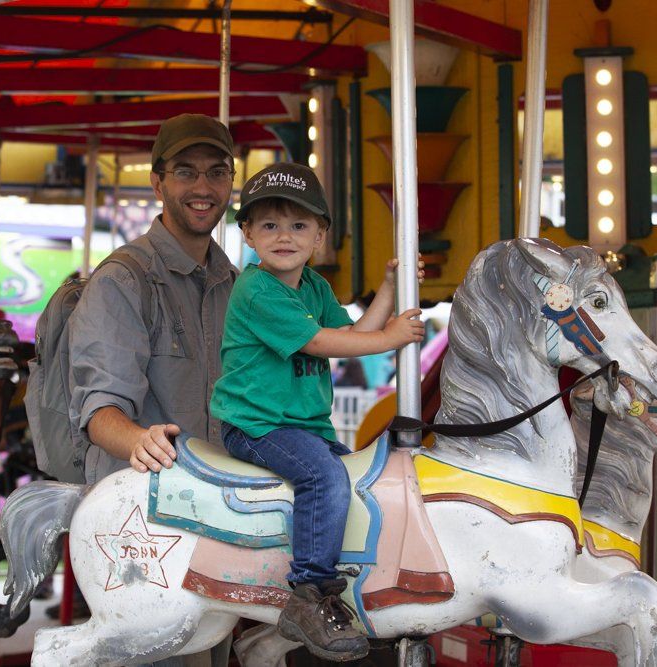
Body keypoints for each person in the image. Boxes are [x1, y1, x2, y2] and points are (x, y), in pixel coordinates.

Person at [210, 163, 425, 662]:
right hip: (256, 425)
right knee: (325, 478)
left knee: (355, 479)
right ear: (247, 234)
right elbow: (320, 341)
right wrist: (390, 337)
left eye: (299, 225)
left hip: (304, 425)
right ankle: (308, 594)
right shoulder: (257, 289)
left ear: (320, 236)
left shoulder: (314, 287)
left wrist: (388, 290)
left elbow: (352, 332)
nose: (284, 236)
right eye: (269, 225)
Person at [67, 113, 238, 667]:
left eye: (217, 172)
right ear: (158, 183)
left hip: (217, 515)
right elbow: (100, 410)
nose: (204, 188)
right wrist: (139, 439)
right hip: (144, 524)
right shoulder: (124, 280)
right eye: (186, 172)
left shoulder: (234, 282)